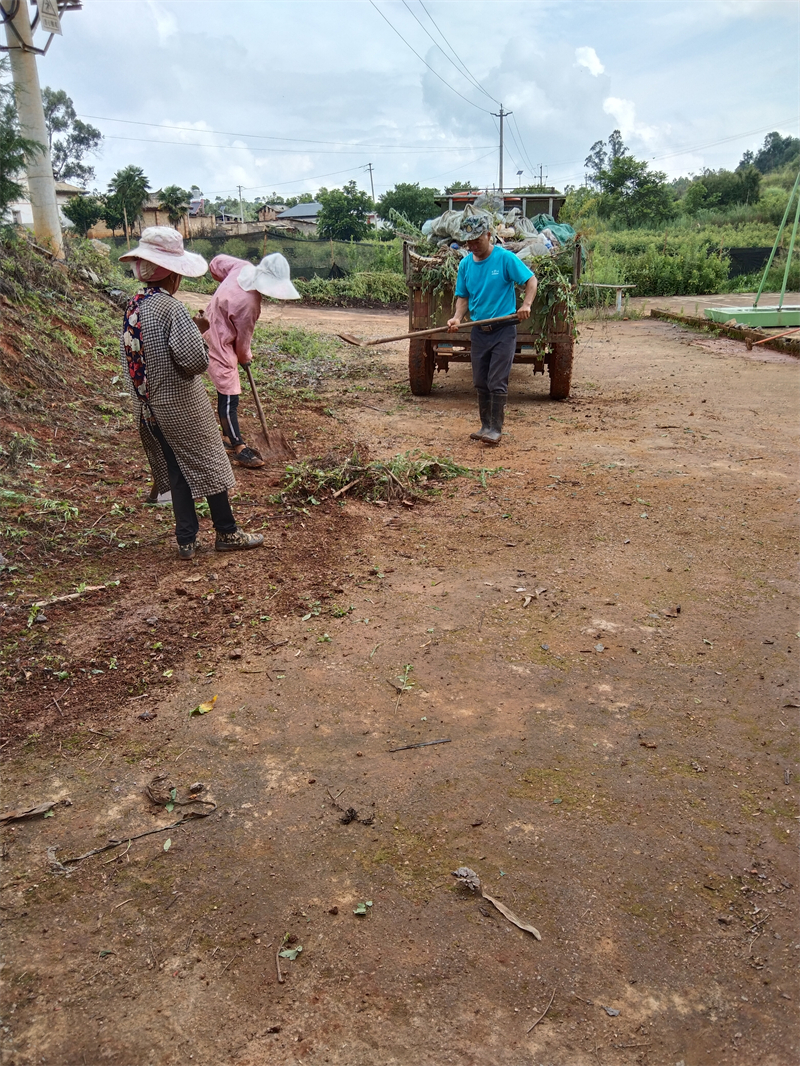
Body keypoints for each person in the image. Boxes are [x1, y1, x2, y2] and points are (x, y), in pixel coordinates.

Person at [119, 227, 264, 560]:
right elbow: (194, 362)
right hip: (181, 405)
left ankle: (186, 540)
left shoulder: (134, 306)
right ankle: (227, 532)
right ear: (173, 275)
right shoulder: (171, 309)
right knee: (211, 465)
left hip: (150, 407)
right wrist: (197, 333)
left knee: (177, 470)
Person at [195, 253, 300, 468]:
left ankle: (226, 438)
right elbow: (243, 342)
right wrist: (244, 358)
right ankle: (238, 447)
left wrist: (224, 288)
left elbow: (216, 264)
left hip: (208, 322)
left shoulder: (241, 267)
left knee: (227, 389)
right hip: (218, 340)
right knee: (229, 394)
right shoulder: (250, 305)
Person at [447, 215, 538, 443]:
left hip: (503, 330)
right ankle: (485, 426)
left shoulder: (504, 258)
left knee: (497, 380)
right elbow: (463, 296)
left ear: (489, 235)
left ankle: (496, 429)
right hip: (479, 331)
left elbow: (531, 280)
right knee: (480, 380)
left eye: (477, 240)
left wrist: (526, 305)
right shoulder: (465, 264)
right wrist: (457, 318)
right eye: (468, 242)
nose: (473, 246)